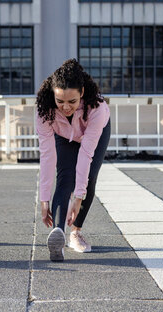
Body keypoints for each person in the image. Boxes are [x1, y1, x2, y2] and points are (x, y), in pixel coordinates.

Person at [36, 58, 111, 262]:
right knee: (65, 177)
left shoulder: (97, 108)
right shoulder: (44, 110)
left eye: (72, 101)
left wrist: (78, 197)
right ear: (53, 95)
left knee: (89, 177)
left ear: (82, 94)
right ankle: (57, 234)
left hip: (93, 132)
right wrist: (44, 200)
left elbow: (86, 154)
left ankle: (76, 231)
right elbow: (47, 156)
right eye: (60, 101)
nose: (65, 107)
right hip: (63, 134)